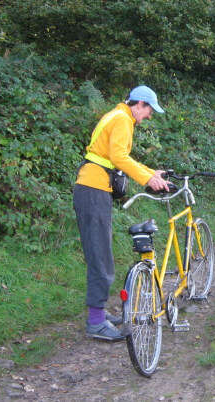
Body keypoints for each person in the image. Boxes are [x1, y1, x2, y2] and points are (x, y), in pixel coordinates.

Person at [73, 85, 170, 341]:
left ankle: (99, 314)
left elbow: (118, 156)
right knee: (100, 255)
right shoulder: (123, 120)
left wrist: (150, 172)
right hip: (93, 190)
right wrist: (147, 180)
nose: (149, 116)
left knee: (101, 252)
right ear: (139, 104)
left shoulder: (118, 116)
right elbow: (119, 157)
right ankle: (95, 323)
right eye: (149, 110)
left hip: (94, 188)